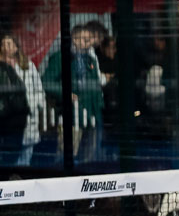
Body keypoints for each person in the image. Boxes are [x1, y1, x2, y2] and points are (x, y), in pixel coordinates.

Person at [42, 24, 104, 161]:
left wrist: (99, 106)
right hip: (71, 115)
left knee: (91, 157)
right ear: (75, 40)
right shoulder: (60, 58)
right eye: (85, 40)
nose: (89, 43)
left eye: (89, 40)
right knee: (67, 155)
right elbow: (46, 82)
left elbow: (96, 84)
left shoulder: (90, 60)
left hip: (92, 115)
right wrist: (65, 93)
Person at [1, 34, 46, 166]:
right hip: (7, 120)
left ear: (16, 47)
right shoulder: (1, 68)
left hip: (27, 117)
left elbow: (39, 90)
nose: (5, 47)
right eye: (3, 44)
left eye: (9, 44)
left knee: (25, 160)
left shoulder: (28, 66)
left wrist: (32, 105)